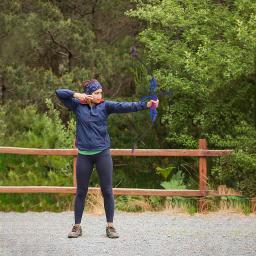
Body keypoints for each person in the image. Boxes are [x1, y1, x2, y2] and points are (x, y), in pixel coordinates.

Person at [55, 79, 159, 239]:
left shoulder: (106, 106)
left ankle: (110, 227)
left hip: (102, 153)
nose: (100, 95)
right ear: (89, 93)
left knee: (107, 191)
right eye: (96, 93)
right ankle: (77, 227)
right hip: (84, 155)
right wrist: (78, 95)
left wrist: (147, 105)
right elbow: (59, 92)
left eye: (101, 92)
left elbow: (126, 106)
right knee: (81, 192)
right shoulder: (77, 106)